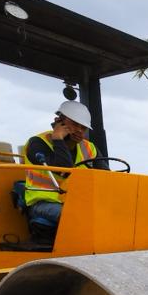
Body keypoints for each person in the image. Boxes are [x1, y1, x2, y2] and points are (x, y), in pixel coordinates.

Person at [21, 100, 100, 240]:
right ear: (59, 121)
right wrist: (58, 138)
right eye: (75, 124)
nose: (79, 130)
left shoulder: (89, 148)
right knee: (76, 216)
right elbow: (64, 169)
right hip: (43, 203)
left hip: (76, 202)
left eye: (83, 127)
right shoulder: (38, 143)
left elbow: (106, 174)